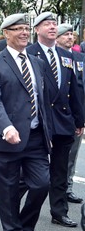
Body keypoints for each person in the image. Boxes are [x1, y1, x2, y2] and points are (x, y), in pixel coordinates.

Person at [0, 13, 52, 231]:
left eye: (26, 28)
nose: (24, 32)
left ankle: (24, 225)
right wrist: (7, 127)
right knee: (8, 193)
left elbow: (42, 100)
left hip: (36, 138)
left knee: (42, 185)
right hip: (7, 139)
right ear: (6, 33)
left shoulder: (37, 63)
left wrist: (50, 133)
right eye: (18, 29)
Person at [27, 12, 84, 228]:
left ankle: (59, 211)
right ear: (37, 29)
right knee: (31, 175)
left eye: (54, 24)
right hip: (38, 122)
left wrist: (79, 120)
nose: (52, 27)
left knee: (60, 170)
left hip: (62, 121)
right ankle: (21, 211)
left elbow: (74, 90)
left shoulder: (66, 56)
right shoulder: (29, 53)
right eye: (47, 24)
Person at [55, 23, 85, 204]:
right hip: (56, 112)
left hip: (75, 113)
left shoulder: (80, 57)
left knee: (72, 155)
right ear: (56, 37)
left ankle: (67, 187)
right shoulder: (51, 56)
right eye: (65, 35)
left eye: (71, 35)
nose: (70, 38)